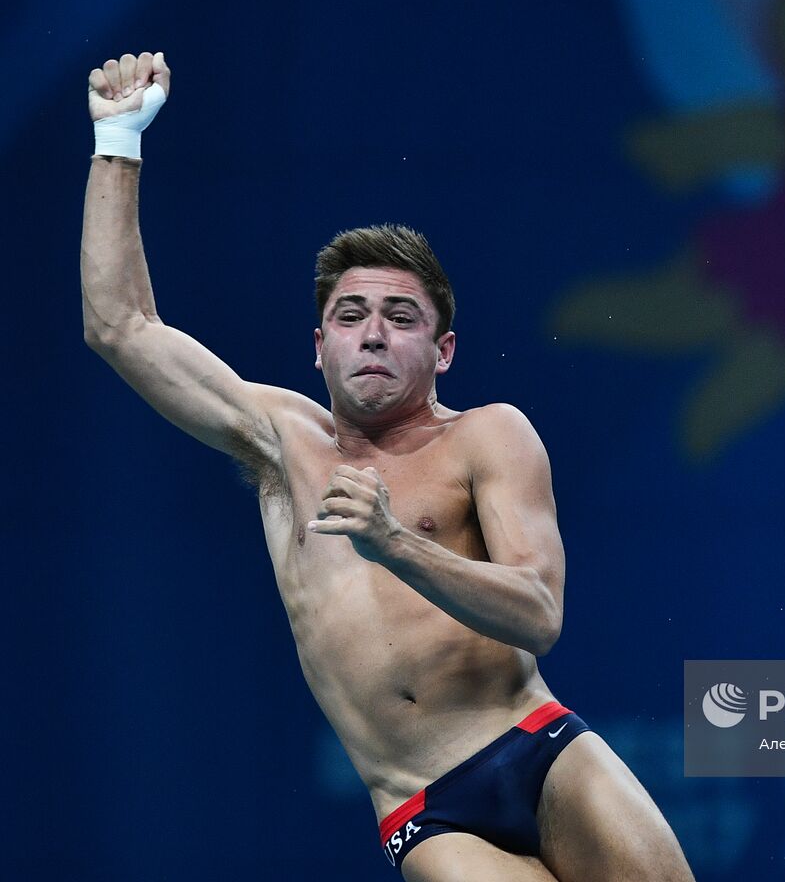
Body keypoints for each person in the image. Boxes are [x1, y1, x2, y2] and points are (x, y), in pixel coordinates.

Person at [82, 51, 696, 881]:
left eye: (400, 317)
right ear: (318, 346)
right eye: (351, 315)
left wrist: (395, 542)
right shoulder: (278, 444)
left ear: (442, 350)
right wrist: (117, 138)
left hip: (538, 745)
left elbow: (539, 611)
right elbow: (121, 326)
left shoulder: (490, 436)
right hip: (424, 805)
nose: (373, 333)